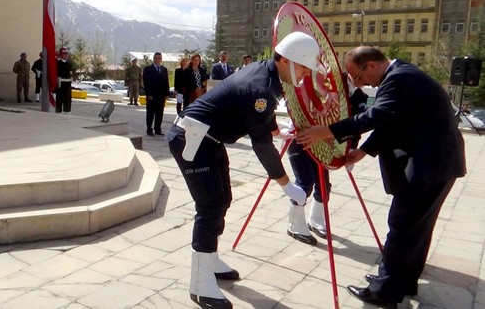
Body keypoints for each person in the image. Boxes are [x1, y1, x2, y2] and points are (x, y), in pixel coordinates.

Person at [296, 46, 466, 308]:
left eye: (360, 77)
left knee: (402, 225)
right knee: (418, 227)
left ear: (372, 65)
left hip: (427, 166)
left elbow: (376, 116)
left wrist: (327, 131)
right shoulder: (404, 74)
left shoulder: (400, 78)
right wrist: (363, 151)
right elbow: (392, 122)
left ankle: (384, 292)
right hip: (438, 164)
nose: (362, 84)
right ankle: (402, 280)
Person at [168, 31, 321, 309]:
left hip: (207, 139)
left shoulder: (267, 73)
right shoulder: (261, 87)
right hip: (192, 139)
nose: (305, 76)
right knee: (210, 206)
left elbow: (260, 117)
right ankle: (200, 284)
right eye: (305, 68)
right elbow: (262, 146)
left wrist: (278, 129)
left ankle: (210, 261)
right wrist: (287, 184)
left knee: (224, 198)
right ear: (287, 61)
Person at [281, 80, 369, 245]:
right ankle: (294, 225)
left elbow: (356, 126)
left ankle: (316, 220)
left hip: (326, 143)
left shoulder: (359, 97)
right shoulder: (324, 83)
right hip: (302, 138)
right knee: (304, 183)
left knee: (323, 185)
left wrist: (350, 150)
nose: (359, 81)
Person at [142, 52, 170, 136]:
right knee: (150, 113)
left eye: (159, 58)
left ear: (161, 59)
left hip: (161, 95)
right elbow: (146, 83)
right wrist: (148, 94)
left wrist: (166, 93)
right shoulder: (148, 69)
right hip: (152, 95)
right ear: (153, 59)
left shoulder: (164, 69)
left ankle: (158, 129)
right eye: (156, 58)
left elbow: (166, 82)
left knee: (159, 113)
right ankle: (149, 129)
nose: (157, 60)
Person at [56, 47, 75, 113]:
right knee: (60, 98)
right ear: (61, 55)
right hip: (60, 83)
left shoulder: (69, 64)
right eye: (64, 54)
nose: (66, 55)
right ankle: (59, 111)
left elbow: (70, 73)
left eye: (67, 54)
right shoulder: (58, 64)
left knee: (68, 98)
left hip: (68, 83)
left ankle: (67, 111)